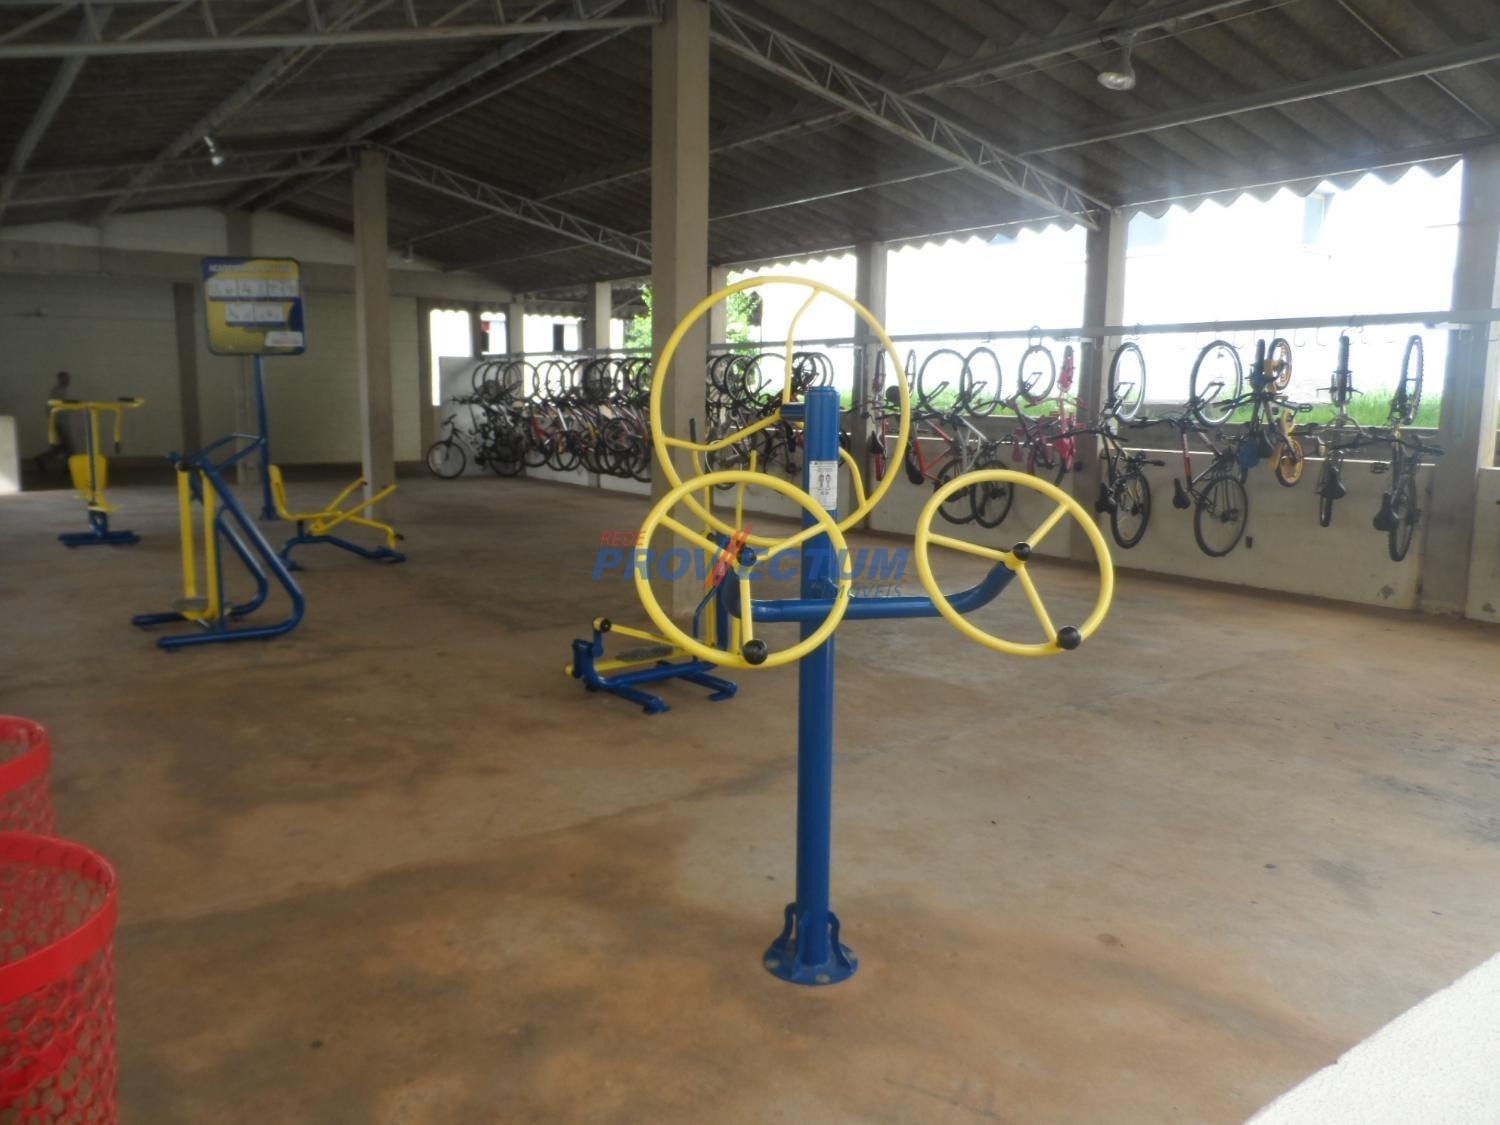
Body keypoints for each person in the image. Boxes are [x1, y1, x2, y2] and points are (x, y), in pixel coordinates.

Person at [34, 371, 77, 473]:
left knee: (64, 446)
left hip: (61, 421)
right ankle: (69, 467)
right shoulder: (58, 391)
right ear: (60, 379)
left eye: (68, 378)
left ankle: (42, 458)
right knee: (70, 447)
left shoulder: (62, 390)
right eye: (66, 378)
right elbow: (57, 403)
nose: (68, 381)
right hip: (60, 422)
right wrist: (72, 402)